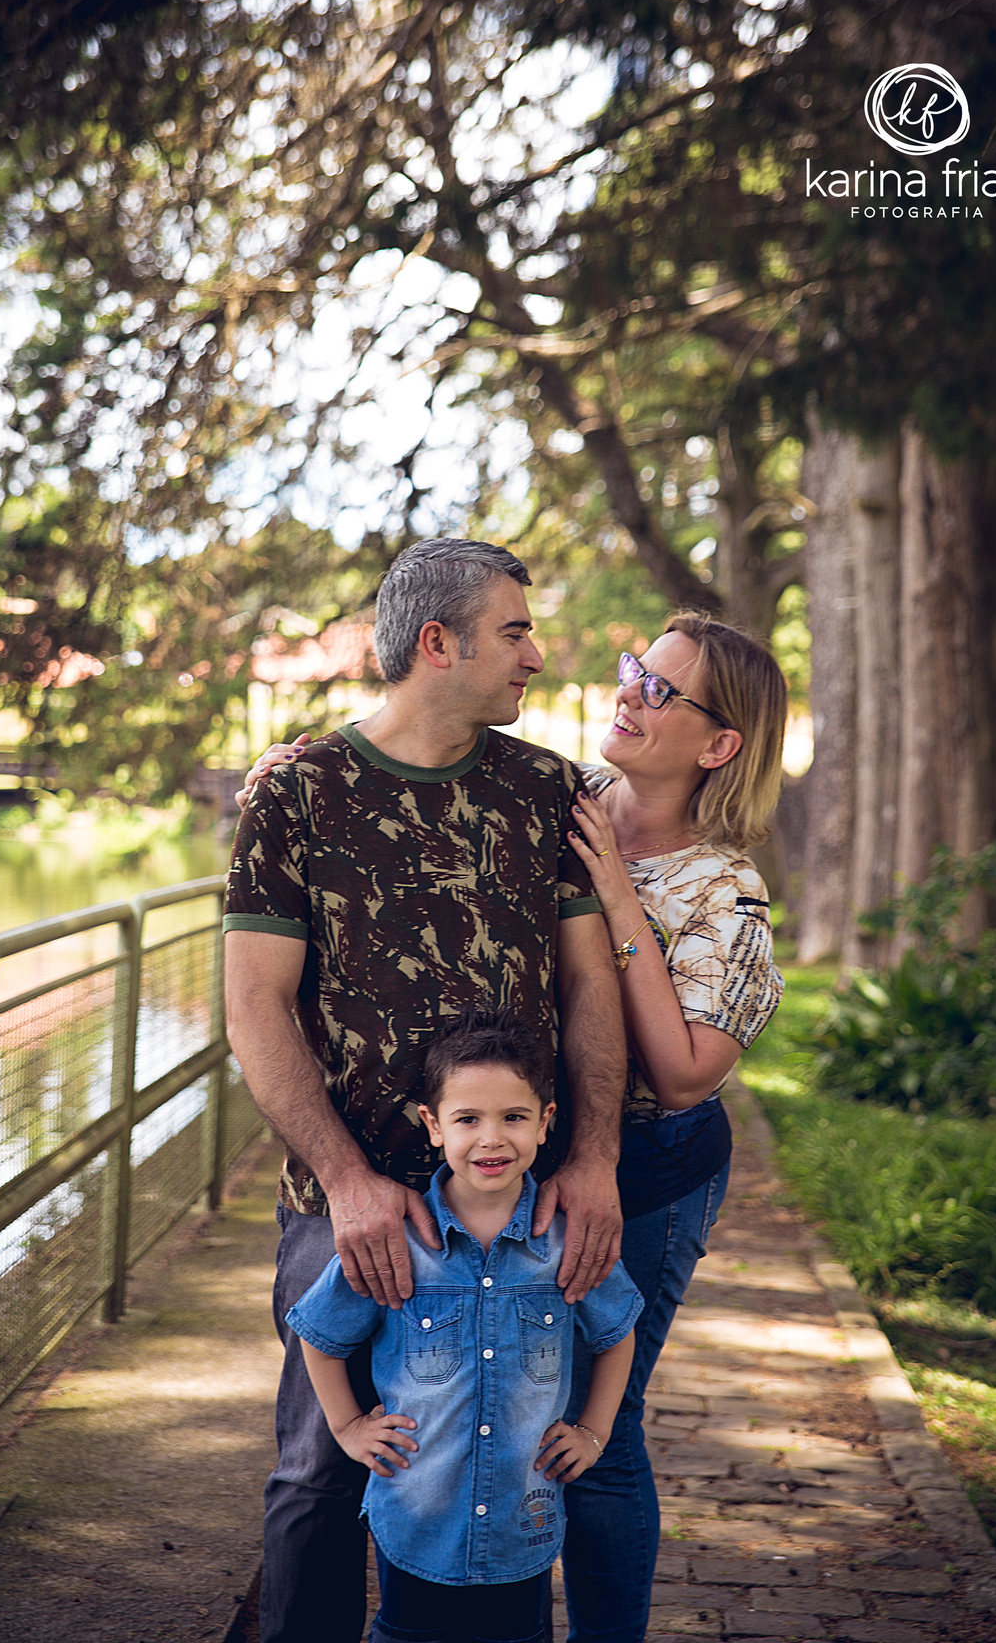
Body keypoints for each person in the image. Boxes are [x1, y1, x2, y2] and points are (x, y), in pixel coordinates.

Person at [244, 608, 787, 1643]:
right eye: (635, 669)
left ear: (719, 746)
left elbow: (682, 1075)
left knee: (594, 1427)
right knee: (506, 1398)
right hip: (523, 1147)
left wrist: (616, 896)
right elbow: (424, 765)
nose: (628, 693)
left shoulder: (725, 888)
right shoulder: (562, 794)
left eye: (661, 689)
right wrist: (298, 773)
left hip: (649, 1162)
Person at [222, 538, 627, 1643]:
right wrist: (347, 1181)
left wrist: (593, 1157)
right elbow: (257, 1008)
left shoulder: (547, 791)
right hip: (344, 1202)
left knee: (510, 1459)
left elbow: (590, 987)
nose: (536, 655)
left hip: (511, 1201)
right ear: (437, 642)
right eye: (516, 631)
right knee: (318, 1471)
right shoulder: (296, 793)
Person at [286, 1010, 643, 1643]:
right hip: (416, 1513)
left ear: (545, 1122)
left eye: (514, 1118)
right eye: (468, 1119)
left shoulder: (565, 1242)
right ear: (433, 1125)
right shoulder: (396, 1242)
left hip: (523, 1517)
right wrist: (347, 1427)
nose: (491, 1139)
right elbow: (320, 1333)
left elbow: (617, 1333)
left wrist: (594, 1431)